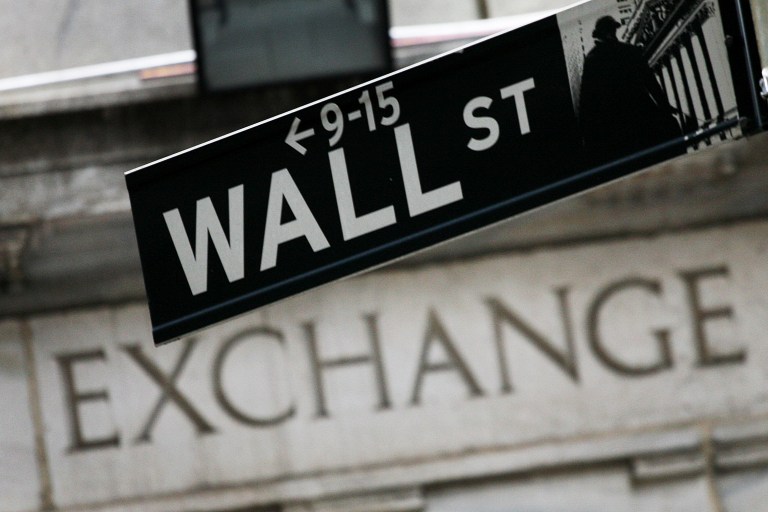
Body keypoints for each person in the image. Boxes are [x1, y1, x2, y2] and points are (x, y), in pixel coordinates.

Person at [578, 15, 682, 165]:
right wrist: (665, 106)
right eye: (612, 30)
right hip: (640, 112)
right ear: (611, 31)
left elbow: (587, 99)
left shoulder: (592, 59)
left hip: (615, 124)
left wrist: (587, 132)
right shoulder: (629, 51)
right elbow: (650, 82)